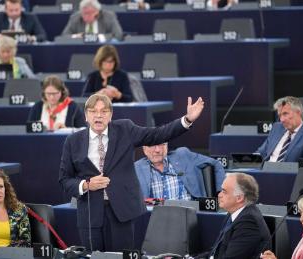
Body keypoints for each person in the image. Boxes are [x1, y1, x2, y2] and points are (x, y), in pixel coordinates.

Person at [59, 93, 204, 251]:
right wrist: (86, 185)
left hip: (121, 211)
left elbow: (157, 134)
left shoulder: (125, 129)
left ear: (111, 115)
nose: (98, 116)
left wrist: (187, 120)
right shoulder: (73, 141)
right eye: (93, 111)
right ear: (86, 115)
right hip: (89, 214)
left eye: (104, 111)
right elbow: (64, 179)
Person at [209, 173, 270, 259]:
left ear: (239, 198)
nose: (219, 195)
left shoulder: (248, 222)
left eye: (224, 191)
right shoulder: (233, 213)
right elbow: (216, 252)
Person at [134, 143, 225, 200]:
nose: (158, 150)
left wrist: (220, 192)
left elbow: (215, 164)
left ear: (166, 146)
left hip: (190, 214)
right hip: (157, 219)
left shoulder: (183, 155)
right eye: (152, 145)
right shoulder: (137, 168)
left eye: (162, 144)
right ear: (145, 149)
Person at [256, 96, 303, 162]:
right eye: (279, 115)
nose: (281, 119)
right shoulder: (276, 127)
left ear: (298, 112)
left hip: (288, 172)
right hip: (265, 170)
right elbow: (261, 153)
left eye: (285, 114)